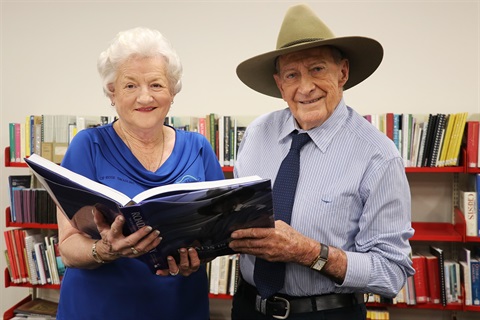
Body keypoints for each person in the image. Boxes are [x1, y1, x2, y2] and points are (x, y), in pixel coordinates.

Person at [229, 4, 415, 320]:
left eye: (317, 69)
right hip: (248, 309)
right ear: (279, 84)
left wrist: (310, 253)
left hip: (327, 314)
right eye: (292, 75)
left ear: (342, 72)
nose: (305, 87)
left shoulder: (378, 156)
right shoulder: (257, 134)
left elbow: (391, 271)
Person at [55, 27, 224, 320]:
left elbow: (221, 231)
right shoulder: (87, 146)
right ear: (112, 92)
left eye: (156, 85)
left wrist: (200, 255)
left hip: (179, 307)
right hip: (97, 309)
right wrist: (104, 249)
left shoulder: (199, 148)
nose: (144, 97)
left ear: (172, 92)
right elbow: (69, 246)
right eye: (130, 85)